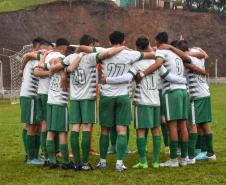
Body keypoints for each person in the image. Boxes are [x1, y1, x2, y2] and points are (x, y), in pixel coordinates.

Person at [102, 36, 187, 169]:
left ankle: (143, 161)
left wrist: (108, 80)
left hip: (142, 102)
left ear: (137, 48)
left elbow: (126, 78)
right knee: (156, 131)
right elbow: (169, 77)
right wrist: (184, 81)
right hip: (156, 102)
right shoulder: (157, 63)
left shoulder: (136, 64)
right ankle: (155, 161)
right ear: (148, 46)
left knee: (141, 132)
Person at [177, 40, 216, 162]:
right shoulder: (198, 55)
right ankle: (204, 151)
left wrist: (202, 72)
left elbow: (191, 66)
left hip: (198, 94)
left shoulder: (188, 59)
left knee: (200, 124)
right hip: (202, 92)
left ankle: (208, 153)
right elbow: (204, 55)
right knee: (200, 123)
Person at [37, 38, 70, 169]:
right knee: (62, 132)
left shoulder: (52, 62)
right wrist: (62, 75)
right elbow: (63, 64)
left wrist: (45, 57)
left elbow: (40, 66)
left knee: (50, 130)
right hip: (60, 102)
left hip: (50, 100)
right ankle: (66, 162)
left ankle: (51, 160)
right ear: (65, 48)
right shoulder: (66, 62)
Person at [19, 37, 47, 164]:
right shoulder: (36, 56)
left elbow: (26, 56)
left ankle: (33, 155)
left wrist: (21, 68)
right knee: (31, 126)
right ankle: (31, 157)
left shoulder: (34, 57)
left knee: (34, 126)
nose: (46, 50)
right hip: (29, 96)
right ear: (37, 47)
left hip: (33, 96)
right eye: (44, 48)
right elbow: (27, 55)